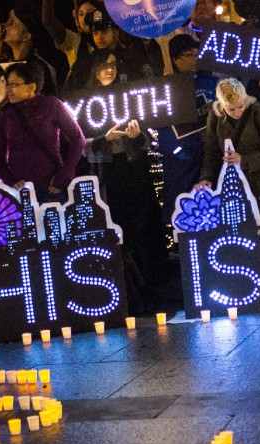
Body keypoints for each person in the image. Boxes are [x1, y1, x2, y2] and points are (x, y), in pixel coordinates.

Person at [80, 51, 169, 307]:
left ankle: (150, 288)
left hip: (133, 172)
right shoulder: (85, 101)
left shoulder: (128, 96)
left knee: (143, 227)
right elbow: (78, 145)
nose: (109, 70)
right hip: (107, 176)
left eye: (112, 64)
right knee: (119, 231)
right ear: (93, 68)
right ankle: (127, 292)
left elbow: (147, 141)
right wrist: (102, 140)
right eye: (103, 65)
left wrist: (137, 136)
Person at [200, 78, 260, 300]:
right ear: (222, 105)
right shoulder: (215, 117)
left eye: (240, 107)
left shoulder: (255, 112)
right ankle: (244, 289)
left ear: (246, 100)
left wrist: (244, 160)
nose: (236, 112)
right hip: (233, 188)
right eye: (231, 109)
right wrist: (206, 178)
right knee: (239, 238)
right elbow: (211, 152)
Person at [0, 62, 86, 197]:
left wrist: (64, 175)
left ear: (31, 86)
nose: (8, 89)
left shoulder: (51, 105)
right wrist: (10, 181)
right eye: (7, 84)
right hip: (21, 193)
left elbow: (78, 139)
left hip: (52, 188)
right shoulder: (6, 116)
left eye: (14, 84)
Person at [155, 35, 220, 218]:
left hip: (209, 156)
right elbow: (164, 131)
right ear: (175, 59)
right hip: (182, 164)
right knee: (183, 211)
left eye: (196, 54)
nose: (194, 59)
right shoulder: (166, 89)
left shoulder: (210, 83)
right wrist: (179, 153)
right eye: (188, 55)